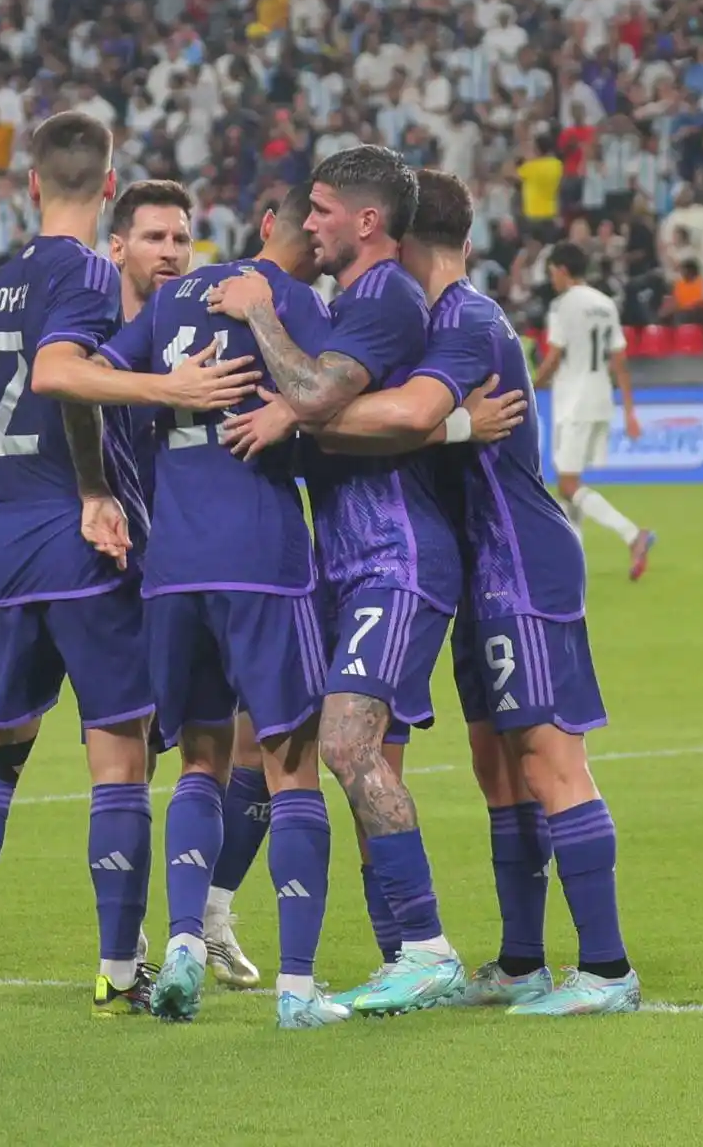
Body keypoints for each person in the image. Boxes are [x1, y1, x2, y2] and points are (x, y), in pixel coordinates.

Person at [0, 113, 256, 1014]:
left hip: (7, 544)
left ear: (30, 184)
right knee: (118, 760)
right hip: (84, 548)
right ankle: (117, 971)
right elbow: (64, 375)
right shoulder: (91, 275)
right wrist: (160, 401)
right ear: (108, 187)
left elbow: (3, 394)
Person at [314, 168, 641, 1016]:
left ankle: (607, 971)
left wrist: (296, 411)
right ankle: (522, 961)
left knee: (550, 758)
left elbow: (411, 414)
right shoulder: (431, 321)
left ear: (402, 234)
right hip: (478, 566)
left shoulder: (466, 321)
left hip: (520, 562)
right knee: (496, 766)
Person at [40, 184, 354, 1027]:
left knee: (199, 762)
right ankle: (297, 988)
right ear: (307, 237)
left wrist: (142, 418)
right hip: (261, 558)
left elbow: (81, 379)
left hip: (172, 567)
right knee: (291, 766)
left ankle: (180, 942)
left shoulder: (177, 297)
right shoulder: (291, 301)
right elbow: (331, 395)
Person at [207, 146, 468, 1016]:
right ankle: (395, 954)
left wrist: (259, 322)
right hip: (345, 561)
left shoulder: (388, 294)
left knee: (350, 744)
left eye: (320, 209)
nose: (305, 222)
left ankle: (428, 946)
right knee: (293, 738)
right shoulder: (350, 300)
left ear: (365, 222)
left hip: (394, 557)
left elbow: (318, 393)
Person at [109, 178, 268, 989]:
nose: (170, 252)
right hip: (117, 567)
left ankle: (208, 914)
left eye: (181, 238)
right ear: (119, 249)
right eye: (154, 238)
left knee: (251, 745)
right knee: (129, 753)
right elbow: (53, 387)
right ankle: (128, 936)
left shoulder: (207, 319)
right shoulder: (100, 329)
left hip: (202, 560)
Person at [533, 242, 656, 580]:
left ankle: (633, 535)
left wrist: (529, 387)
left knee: (569, 484)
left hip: (573, 400)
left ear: (561, 269)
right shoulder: (605, 304)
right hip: (601, 398)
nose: (551, 280)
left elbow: (554, 356)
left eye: (551, 272)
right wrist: (629, 410)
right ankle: (574, 563)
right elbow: (620, 361)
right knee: (569, 484)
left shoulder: (562, 306)